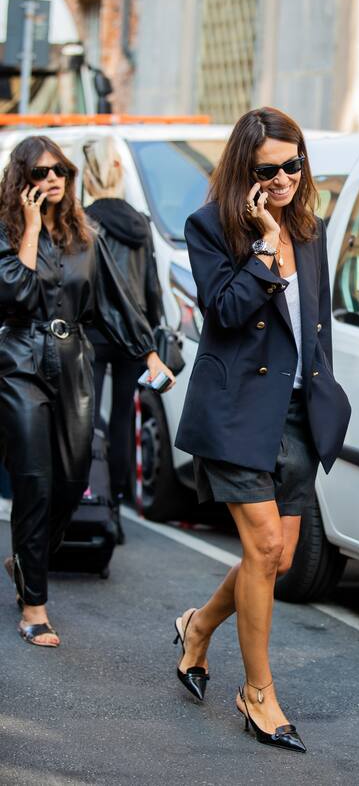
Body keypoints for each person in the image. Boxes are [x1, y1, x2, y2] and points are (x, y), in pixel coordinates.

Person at [174, 107, 351, 752]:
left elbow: (316, 323)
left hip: (298, 411)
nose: (283, 179)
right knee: (264, 544)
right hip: (237, 410)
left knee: (271, 559)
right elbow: (222, 311)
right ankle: (258, 693)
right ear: (244, 170)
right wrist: (260, 241)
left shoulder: (313, 230)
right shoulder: (212, 228)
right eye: (268, 169)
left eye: (293, 165)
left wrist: (327, 387)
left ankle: (197, 627)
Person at [0, 135, 174, 647]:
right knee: (34, 479)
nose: (53, 178)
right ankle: (35, 604)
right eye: (41, 172)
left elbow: (116, 304)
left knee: (74, 480)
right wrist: (31, 230)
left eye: (61, 171)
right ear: (22, 181)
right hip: (19, 362)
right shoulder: (8, 232)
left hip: (74, 361)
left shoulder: (87, 237)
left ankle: (24, 560)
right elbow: (14, 295)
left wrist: (148, 353)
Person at [83, 137, 164, 541]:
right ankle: (115, 505)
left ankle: (92, 502)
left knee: (87, 418)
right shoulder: (140, 223)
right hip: (133, 335)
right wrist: (151, 335)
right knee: (121, 420)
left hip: (92, 332)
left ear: (88, 174)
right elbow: (151, 286)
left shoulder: (82, 221)